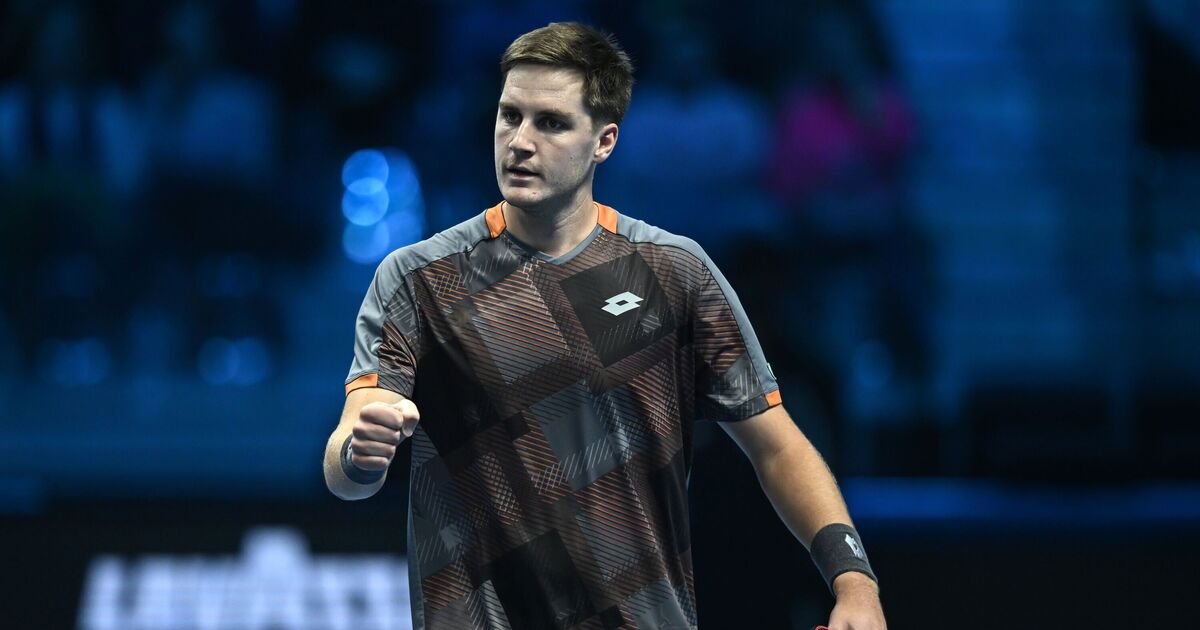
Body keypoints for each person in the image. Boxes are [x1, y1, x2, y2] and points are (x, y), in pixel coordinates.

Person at [323, 22, 887, 630]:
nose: (519, 142)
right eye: (509, 116)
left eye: (551, 123)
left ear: (604, 141)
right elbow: (347, 466)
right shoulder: (416, 280)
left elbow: (777, 446)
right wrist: (360, 453)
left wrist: (855, 582)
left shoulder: (676, 273)